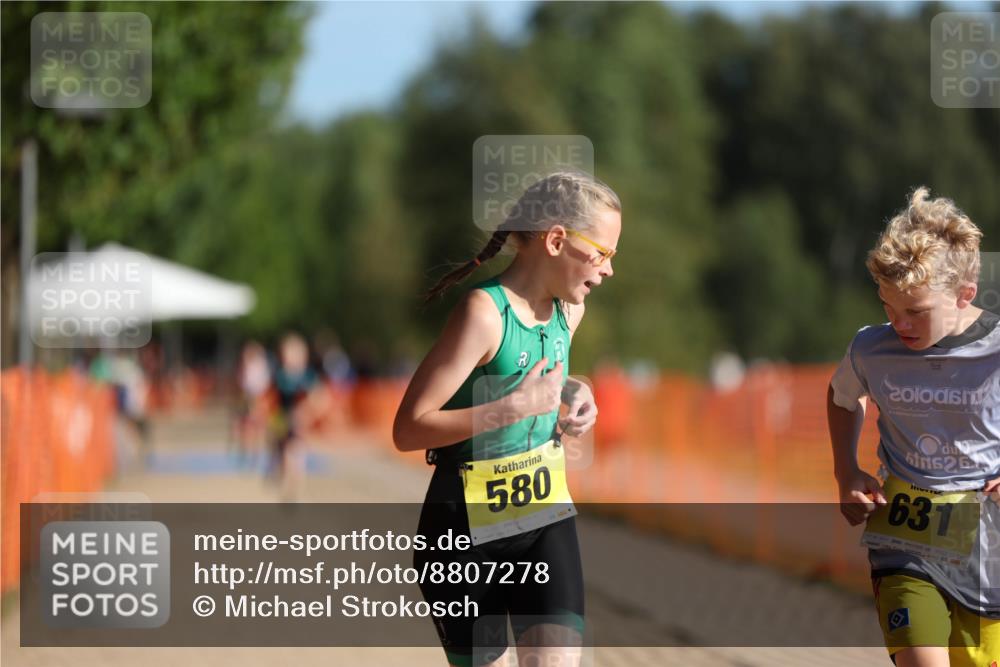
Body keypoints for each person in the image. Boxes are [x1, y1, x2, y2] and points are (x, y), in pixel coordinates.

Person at [393, 171, 621, 667]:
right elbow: (408, 428)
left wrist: (579, 393)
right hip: (462, 532)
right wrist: (509, 409)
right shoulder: (484, 313)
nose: (607, 271)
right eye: (602, 254)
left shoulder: (569, 312)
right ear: (557, 240)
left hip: (543, 519)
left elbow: (546, 378)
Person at [828, 186, 1000, 667]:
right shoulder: (871, 349)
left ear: (965, 295)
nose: (899, 324)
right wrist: (846, 469)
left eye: (916, 312)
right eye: (888, 307)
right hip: (907, 541)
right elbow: (843, 397)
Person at [269, 332, 319, 501]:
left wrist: (306, 411)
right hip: (281, 418)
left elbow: (320, 398)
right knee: (280, 448)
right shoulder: (280, 375)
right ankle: (281, 470)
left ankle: (294, 486)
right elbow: (272, 397)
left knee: (295, 451)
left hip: (298, 421)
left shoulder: (308, 376)